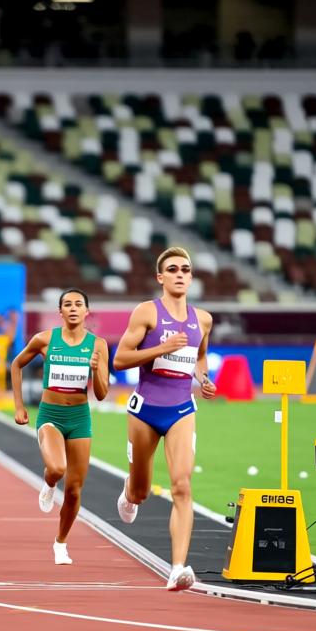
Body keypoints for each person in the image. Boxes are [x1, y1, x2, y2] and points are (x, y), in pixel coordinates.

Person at [113, 247, 217, 591]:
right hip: (145, 410)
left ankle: (178, 568)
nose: (179, 274)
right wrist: (162, 348)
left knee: (182, 486)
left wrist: (202, 379)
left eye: (185, 269)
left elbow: (199, 356)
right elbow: (120, 359)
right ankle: (129, 492)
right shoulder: (146, 312)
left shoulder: (203, 319)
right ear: (161, 277)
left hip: (182, 409)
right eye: (172, 269)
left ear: (190, 276)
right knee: (142, 491)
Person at [10, 289, 109, 565]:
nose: (74, 308)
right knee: (56, 468)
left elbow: (101, 394)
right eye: (68, 304)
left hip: (80, 418)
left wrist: (96, 369)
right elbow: (16, 365)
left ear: (87, 311)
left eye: (79, 304)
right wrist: (19, 406)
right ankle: (49, 483)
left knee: (76, 489)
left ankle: (61, 543)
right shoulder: (45, 339)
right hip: (50, 415)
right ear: (60, 312)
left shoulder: (98, 345)